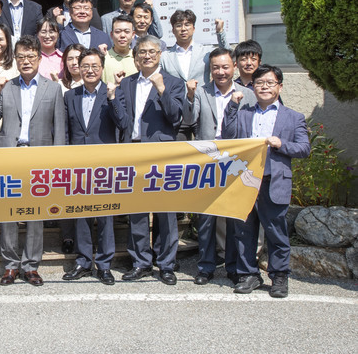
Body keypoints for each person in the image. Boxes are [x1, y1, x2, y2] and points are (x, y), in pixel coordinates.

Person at [222, 65, 310, 298]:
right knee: (243, 232)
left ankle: (279, 276)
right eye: (259, 83)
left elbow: (304, 148)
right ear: (253, 87)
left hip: (274, 181)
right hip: (245, 181)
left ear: (280, 87)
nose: (264, 87)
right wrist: (232, 106)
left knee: (276, 232)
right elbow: (228, 136)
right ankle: (248, 274)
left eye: (270, 83)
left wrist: (282, 144)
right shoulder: (244, 113)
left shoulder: (293, 117)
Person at [0, 35, 66, 286]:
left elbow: (59, 128)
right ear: (15, 60)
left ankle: (31, 265)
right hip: (10, 155)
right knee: (9, 211)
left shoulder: (53, 88)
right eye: (21, 56)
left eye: (31, 56)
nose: (26, 61)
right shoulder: (7, 86)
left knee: (36, 213)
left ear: (39, 59)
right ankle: (10, 265)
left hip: (40, 157)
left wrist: (57, 161)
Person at [182, 48, 256, 286]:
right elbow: (189, 120)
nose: (221, 72)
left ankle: (233, 267)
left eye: (225, 67)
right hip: (207, 162)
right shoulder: (201, 92)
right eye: (215, 68)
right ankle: (205, 266)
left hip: (236, 162)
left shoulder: (248, 94)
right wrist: (190, 96)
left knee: (234, 217)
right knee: (206, 218)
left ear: (234, 67)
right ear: (210, 70)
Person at [117, 35, 186, 285]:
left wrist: (161, 89)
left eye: (152, 52)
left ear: (160, 55)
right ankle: (141, 262)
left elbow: (176, 117)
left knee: (165, 212)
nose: (147, 56)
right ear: (135, 56)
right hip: (133, 152)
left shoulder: (174, 83)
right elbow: (122, 119)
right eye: (142, 52)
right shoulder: (127, 83)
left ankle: (166, 264)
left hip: (161, 153)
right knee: (136, 211)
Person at [62, 49, 129, 285]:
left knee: (105, 215)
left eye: (95, 66)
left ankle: (104, 264)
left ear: (102, 69)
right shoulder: (70, 96)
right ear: (78, 69)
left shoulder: (114, 92)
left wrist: (112, 98)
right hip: (78, 164)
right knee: (81, 215)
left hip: (104, 166)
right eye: (85, 66)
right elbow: (67, 131)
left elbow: (123, 123)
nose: (90, 70)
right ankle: (83, 261)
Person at [160, 9, 228, 139]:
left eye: (187, 25)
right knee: (179, 150)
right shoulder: (165, 56)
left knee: (205, 148)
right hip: (178, 112)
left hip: (202, 109)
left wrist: (220, 32)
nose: (183, 29)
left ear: (194, 28)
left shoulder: (206, 52)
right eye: (179, 25)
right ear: (173, 30)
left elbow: (227, 55)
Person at [102, 14, 137, 84]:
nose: (122, 35)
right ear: (111, 35)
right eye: (118, 31)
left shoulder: (138, 59)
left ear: (133, 35)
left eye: (127, 31)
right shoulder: (103, 58)